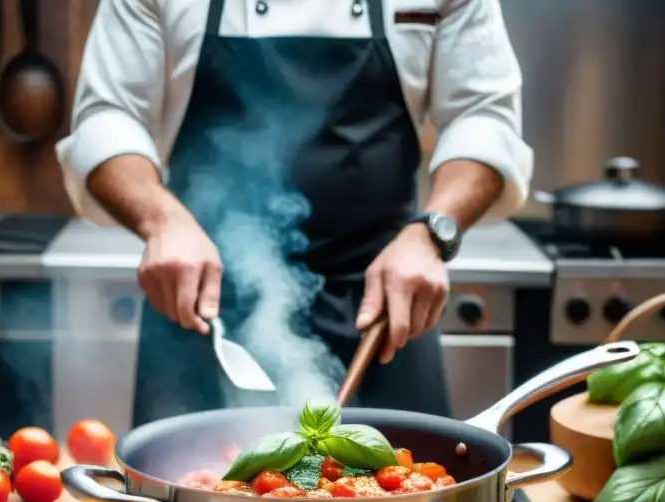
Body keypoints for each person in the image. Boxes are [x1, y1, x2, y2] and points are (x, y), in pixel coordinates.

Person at [57, 0, 532, 427]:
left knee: (408, 501)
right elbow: (108, 116)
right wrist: (162, 221)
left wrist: (431, 232)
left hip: (386, 308)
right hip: (201, 302)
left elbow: (483, 115)